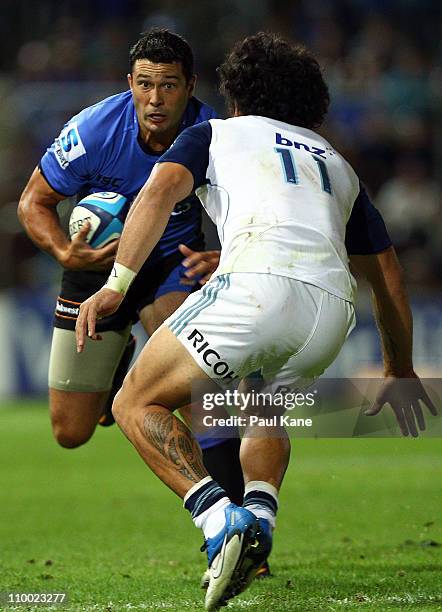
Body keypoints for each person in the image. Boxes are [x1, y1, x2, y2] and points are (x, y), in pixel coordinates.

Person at [75, 32, 437, 610]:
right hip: (330, 310)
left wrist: (116, 287)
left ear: (236, 96)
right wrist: (398, 366)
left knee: (133, 402)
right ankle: (261, 519)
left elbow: (159, 192)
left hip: (257, 290)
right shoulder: (337, 163)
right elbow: (387, 274)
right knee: (257, 404)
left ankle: (221, 521)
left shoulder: (215, 132)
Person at [17, 28, 246, 509]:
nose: (155, 99)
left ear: (190, 85)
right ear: (129, 83)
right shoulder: (95, 129)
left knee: (196, 391)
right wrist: (63, 251)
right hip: (94, 267)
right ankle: (120, 371)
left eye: (168, 85)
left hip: (169, 265)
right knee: (70, 432)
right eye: (144, 84)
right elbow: (34, 201)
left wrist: (227, 255)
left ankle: (236, 521)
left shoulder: (216, 136)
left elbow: (256, 214)